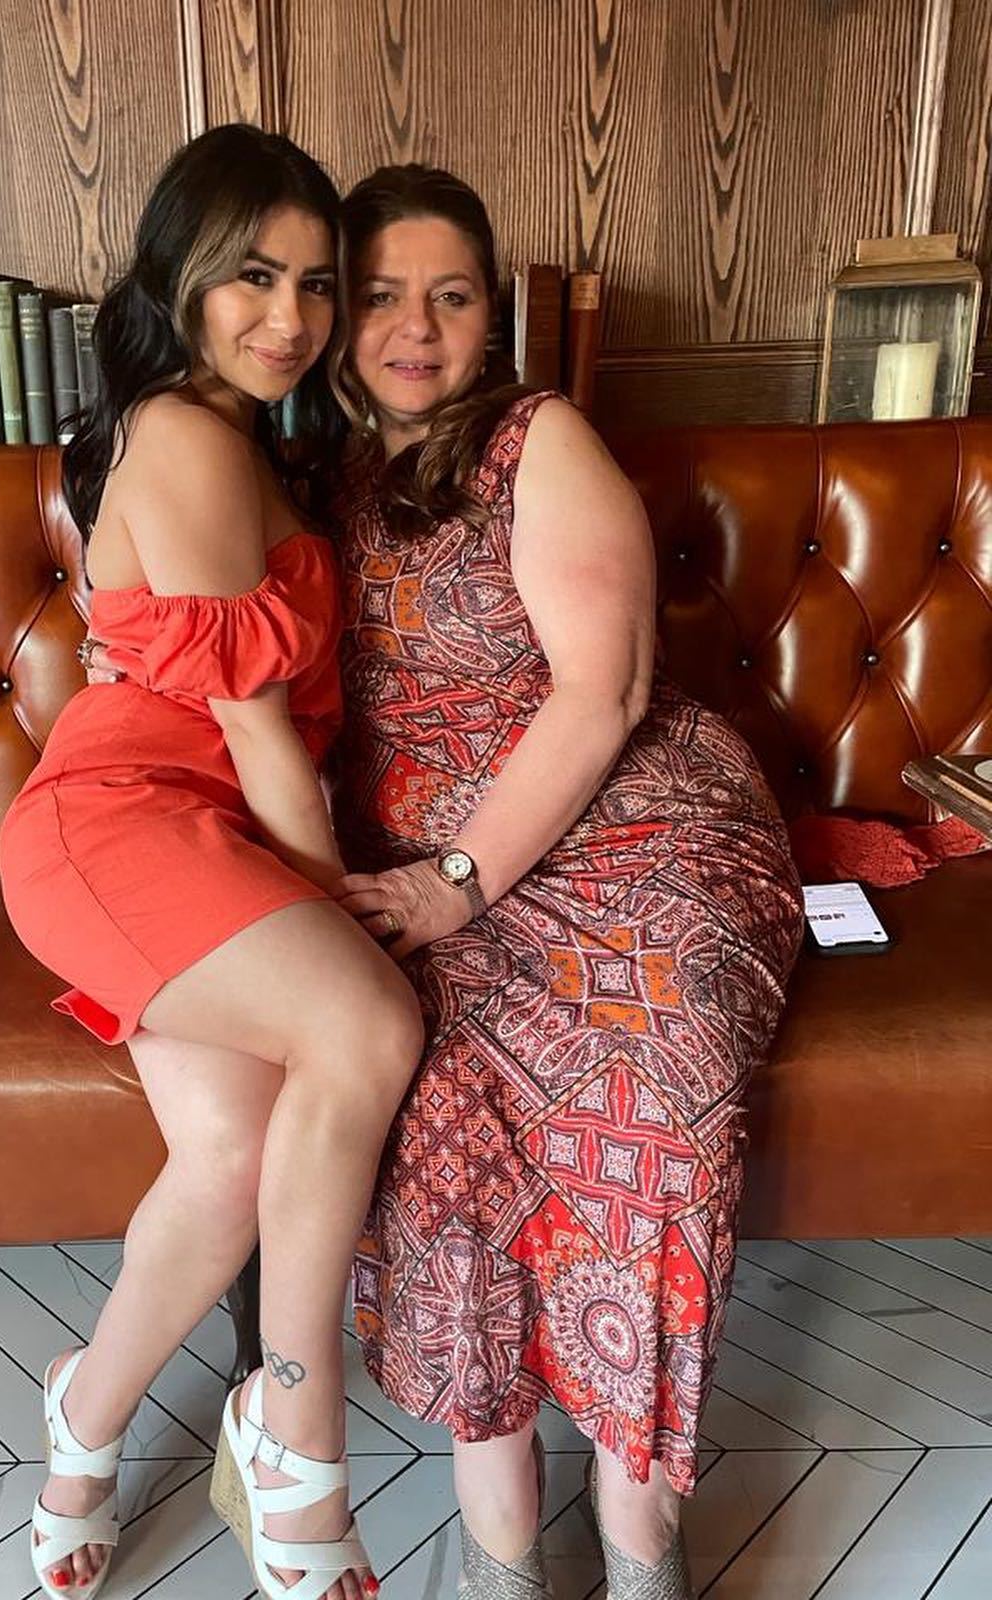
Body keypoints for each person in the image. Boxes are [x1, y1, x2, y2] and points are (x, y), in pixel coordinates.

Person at [325, 165, 805, 1599]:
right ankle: (503, 1543)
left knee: (655, 1082)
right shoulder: (314, 471)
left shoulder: (540, 442)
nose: (417, 328)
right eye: (382, 295)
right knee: (437, 1096)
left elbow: (603, 695)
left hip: (632, 832)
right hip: (424, 865)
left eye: (452, 295)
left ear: (496, 315)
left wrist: (456, 884)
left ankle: (639, 1525)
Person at [0, 124, 421, 1600]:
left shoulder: (253, 443)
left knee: (234, 1158)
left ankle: (83, 1418)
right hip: (125, 819)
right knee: (367, 1024)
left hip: (209, 827)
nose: (290, 317)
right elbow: (250, 723)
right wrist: (337, 908)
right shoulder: (182, 433)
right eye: (253, 275)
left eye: (316, 283)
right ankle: (295, 1431)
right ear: (175, 275)